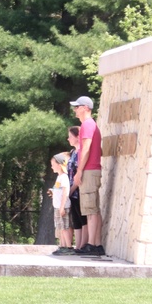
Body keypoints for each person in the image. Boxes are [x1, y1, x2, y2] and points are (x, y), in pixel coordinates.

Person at [69, 96, 104, 256]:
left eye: (77, 107)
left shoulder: (88, 125)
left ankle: (93, 244)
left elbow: (87, 149)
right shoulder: (90, 125)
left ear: (85, 108)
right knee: (92, 209)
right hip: (91, 169)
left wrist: (80, 170)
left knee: (90, 209)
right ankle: (95, 244)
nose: (75, 110)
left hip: (89, 170)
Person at [65, 126, 87, 252]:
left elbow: (79, 174)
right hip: (71, 192)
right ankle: (78, 246)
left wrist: (72, 189)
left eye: (70, 136)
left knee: (82, 217)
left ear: (78, 137)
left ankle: (83, 244)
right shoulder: (73, 152)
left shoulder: (80, 153)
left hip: (78, 191)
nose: (68, 139)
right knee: (76, 219)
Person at [49, 152, 73, 255]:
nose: (51, 167)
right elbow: (59, 190)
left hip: (62, 207)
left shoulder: (64, 177)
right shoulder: (59, 177)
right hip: (58, 207)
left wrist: (62, 207)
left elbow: (65, 192)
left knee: (65, 228)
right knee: (61, 228)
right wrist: (53, 192)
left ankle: (69, 247)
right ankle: (62, 246)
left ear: (59, 165)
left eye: (53, 164)